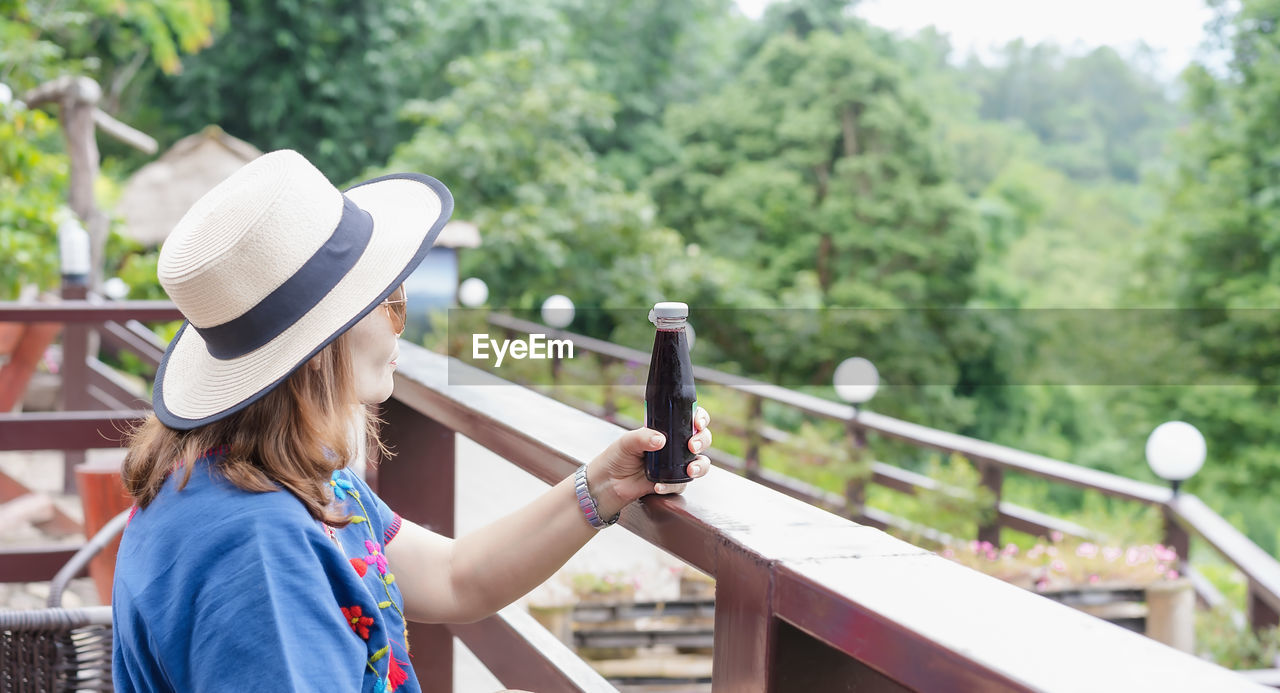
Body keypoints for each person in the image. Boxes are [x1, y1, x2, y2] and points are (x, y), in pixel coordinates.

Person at [111, 149, 713, 692]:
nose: (406, 322)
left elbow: (457, 577)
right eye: (392, 302)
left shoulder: (275, 476)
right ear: (323, 343)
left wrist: (607, 483)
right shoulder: (260, 548)